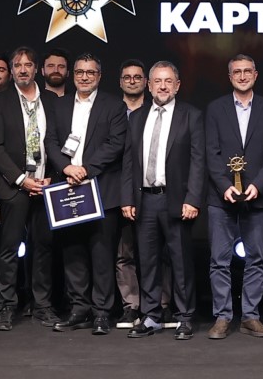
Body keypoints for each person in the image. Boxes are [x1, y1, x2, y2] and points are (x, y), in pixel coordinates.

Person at [0, 46, 69, 331]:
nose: (23, 69)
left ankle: (42, 305)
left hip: (45, 186)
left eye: (28, 65)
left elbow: (59, 144)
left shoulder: (52, 101)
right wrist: (21, 179)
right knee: (9, 248)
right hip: (15, 187)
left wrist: (52, 178)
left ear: (37, 69)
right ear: (12, 70)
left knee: (43, 248)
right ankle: (7, 307)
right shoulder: (0, 101)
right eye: (17, 65)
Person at [202, 54, 263, 339]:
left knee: (256, 259)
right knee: (219, 260)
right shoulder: (215, 109)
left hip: (257, 196)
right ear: (230, 76)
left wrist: (258, 184)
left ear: (256, 75)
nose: (243, 75)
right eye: (237, 71)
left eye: (248, 71)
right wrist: (224, 185)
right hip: (221, 197)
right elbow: (210, 152)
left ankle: (250, 316)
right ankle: (223, 317)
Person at [125, 61, 205, 341]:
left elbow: (198, 161)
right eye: (157, 81)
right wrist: (127, 198)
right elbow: (129, 161)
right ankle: (150, 316)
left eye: (168, 81)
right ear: (149, 86)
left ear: (177, 86)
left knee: (180, 262)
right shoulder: (137, 117)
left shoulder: (191, 116)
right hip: (144, 200)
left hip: (176, 200)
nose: (162, 86)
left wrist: (193, 199)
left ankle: (184, 317)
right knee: (147, 262)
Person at [49, 54, 129, 335]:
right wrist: (66, 167)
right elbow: (51, 141)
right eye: (80, 72)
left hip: (101, 188)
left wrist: (85, 169)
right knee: (73, 252)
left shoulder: (114, 106)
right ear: (73, 75)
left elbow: (116, 144)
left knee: (101, 253)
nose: (84, 77)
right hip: (68, 188)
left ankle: (101, 312)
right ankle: (79, 309)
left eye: (90, 73)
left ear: (99, 76)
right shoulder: (59, 105)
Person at [113, 59, 150, 328]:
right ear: (120, 82)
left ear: (146, 82)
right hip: (119, 191)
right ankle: (131, 305)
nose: (133, 81)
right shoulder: (111, 112)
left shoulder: (156, 111)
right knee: (124, 252)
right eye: (127, 77)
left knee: (157, 251)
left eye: (138, 77)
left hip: (150, 190)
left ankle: (159, 304)